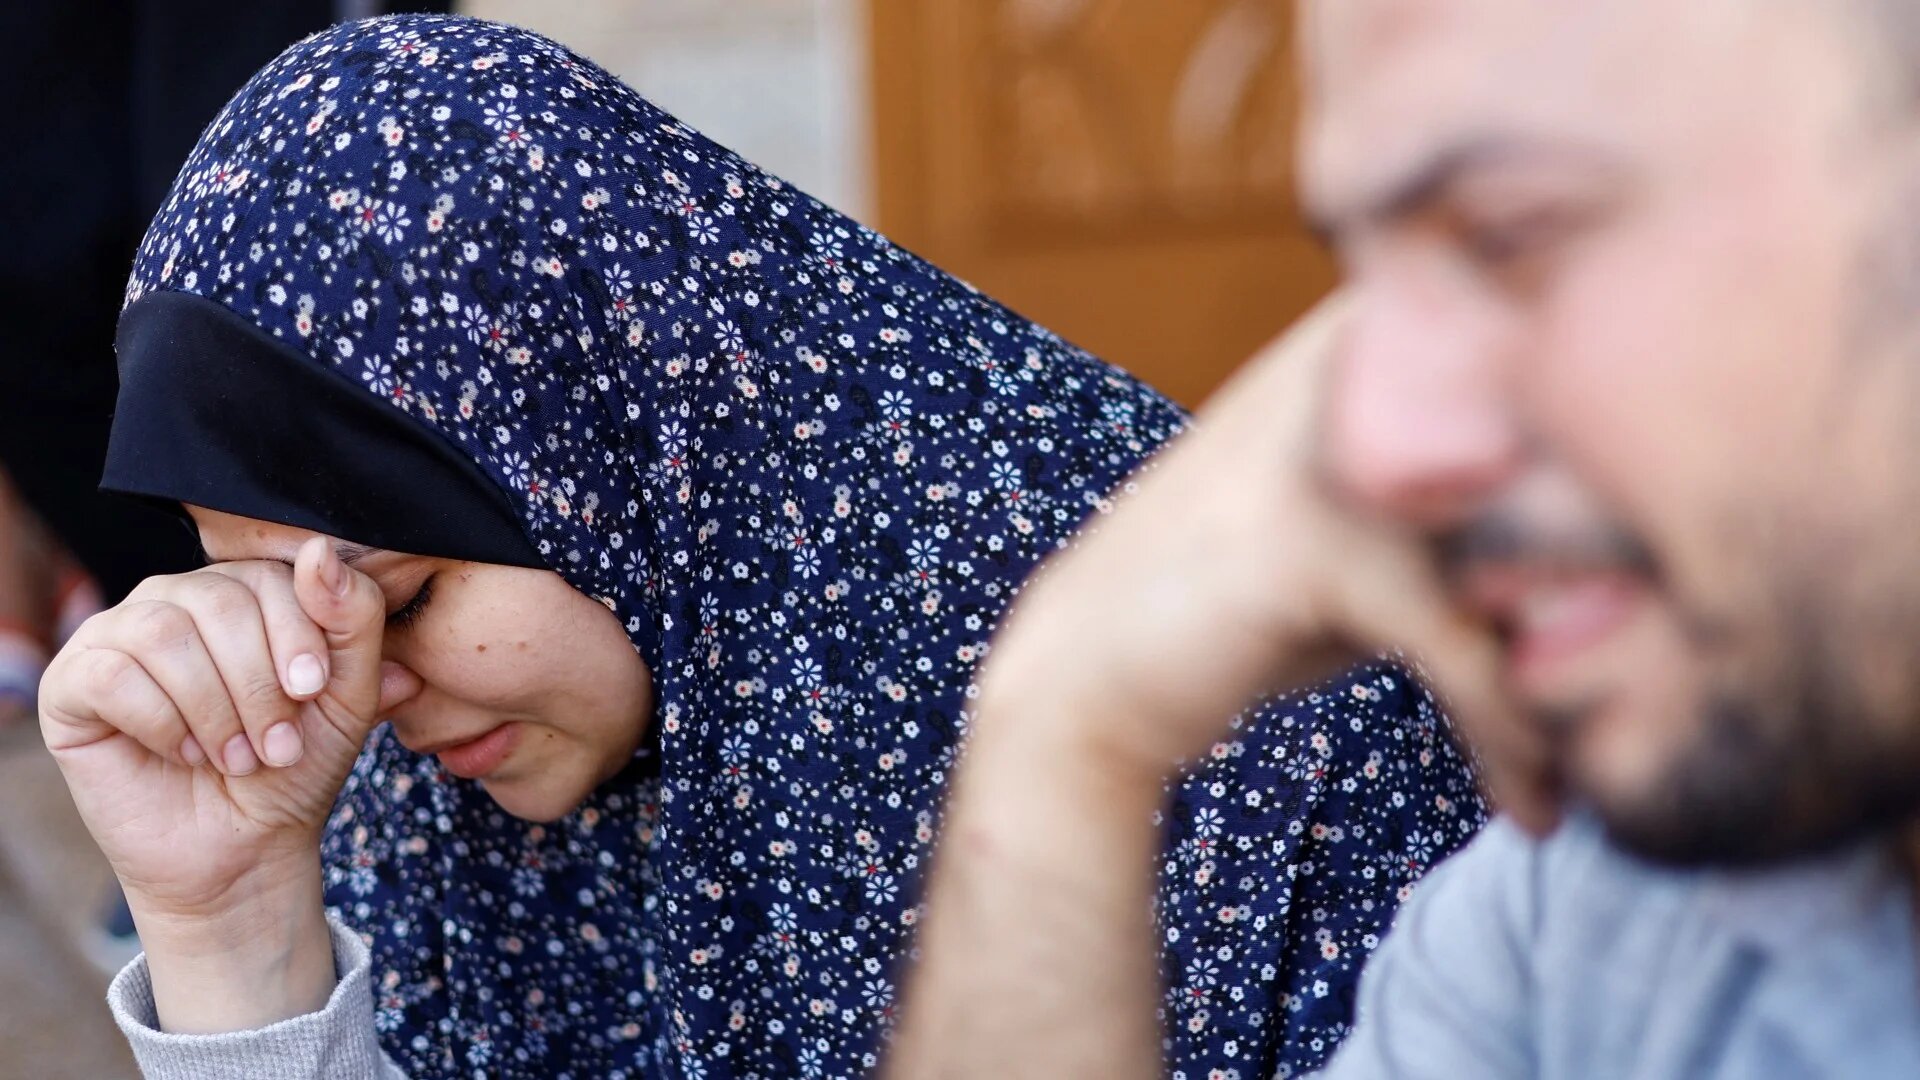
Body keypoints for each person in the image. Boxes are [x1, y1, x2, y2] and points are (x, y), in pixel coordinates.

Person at [43, 14, 1482, 1079]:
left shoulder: (1233, 718)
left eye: (411, 598)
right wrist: (232, 932)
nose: (334, 679)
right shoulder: (407, 755)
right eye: (252, 589)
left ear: (614, 444)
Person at [893, 0, 1920, 1076]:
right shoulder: (1596, 919)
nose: (1370, 443)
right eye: (1369, 275)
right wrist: (1065, 733)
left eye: (1512, 232)